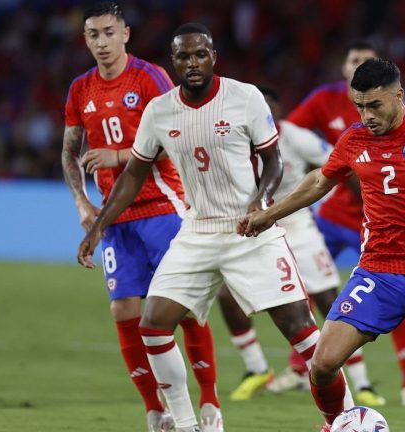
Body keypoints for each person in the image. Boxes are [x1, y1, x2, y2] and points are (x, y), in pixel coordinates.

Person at [77, 23, 352, 432]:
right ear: (174, 62)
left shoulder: (244, 98)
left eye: (199, 54)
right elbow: (133, 174)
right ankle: (186, 423)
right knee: (152, 323)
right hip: (197, 231)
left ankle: (343, 418)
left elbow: (273, 160)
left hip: (249, 229)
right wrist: (99, 226)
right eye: (183, 57)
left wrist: (262, 200)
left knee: (300, 328)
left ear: (213, 57)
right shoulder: (160, 110)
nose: (192, 63)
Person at [239, 58, 405, 432]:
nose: (366, 115)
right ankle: (336, 426)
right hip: (377, 271)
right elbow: (320, 182)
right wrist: (269, 213)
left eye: (374, 105)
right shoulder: (354, 138)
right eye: (359, 106)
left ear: (398, 95)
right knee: (324, 363)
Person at [61, 5, 218, 431]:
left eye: (109, 33)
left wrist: (118, 155)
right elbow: (69, 151)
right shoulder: (80, 90)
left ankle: (210, 401)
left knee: (182, 307)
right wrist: (81, 203)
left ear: (125, 34)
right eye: (93, 34)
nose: (101, 42)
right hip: (115, 214)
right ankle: (155, 409)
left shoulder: (149, 78)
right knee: (123, 309)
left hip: (164, 206)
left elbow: (180, 135)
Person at [283, 40, 405, 407]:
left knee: (395, 289)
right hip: (330, 215)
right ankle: (299, 367)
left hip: (372, 219)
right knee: (305, 284)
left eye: (364, 61)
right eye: (352, 60)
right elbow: (286, 133)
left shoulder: (396, 116)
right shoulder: (325, 101)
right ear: (345, 69)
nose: (357, 66)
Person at [220, 84, 356, 402]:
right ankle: (257, 368)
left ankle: (356, 382)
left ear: (278, 110)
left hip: (295, 223)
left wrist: (318, 192)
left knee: (325, 299)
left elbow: (333, 165)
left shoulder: (295, 137)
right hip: (256, 227)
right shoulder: (234, 139)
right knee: (228, 295)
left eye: (268, 107)